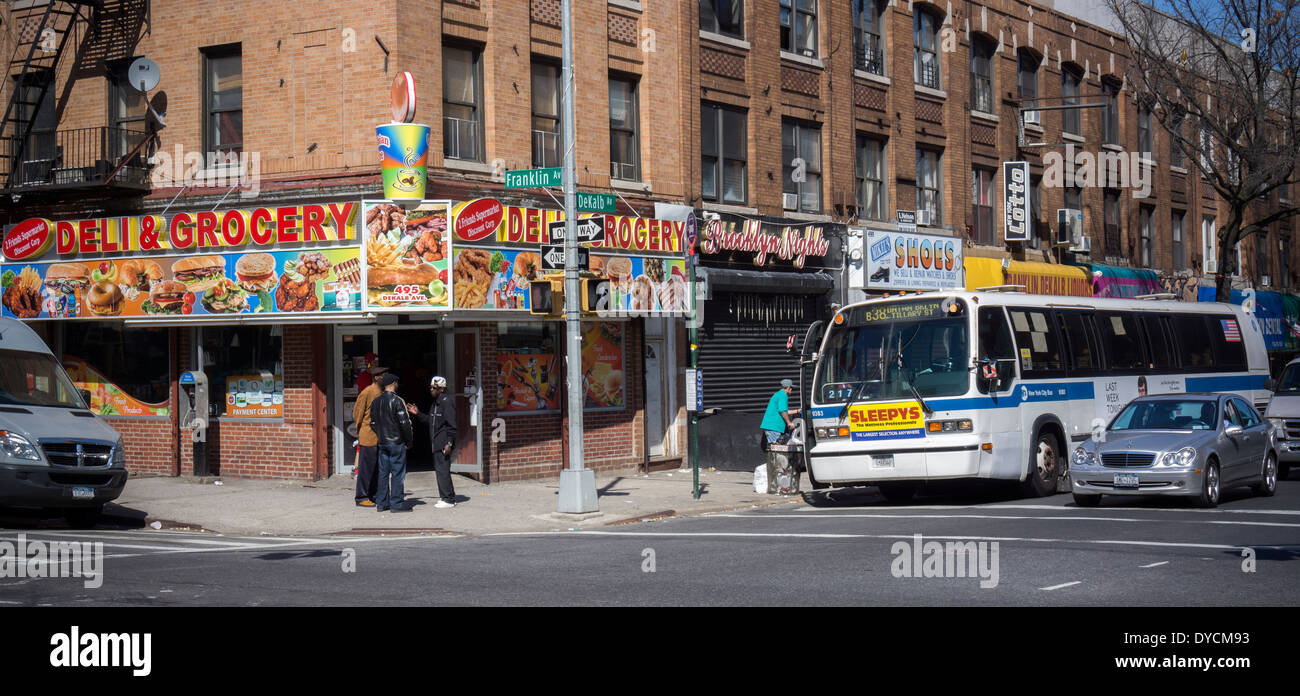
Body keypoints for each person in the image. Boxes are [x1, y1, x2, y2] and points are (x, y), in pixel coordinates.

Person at [408, 376, 458, 508]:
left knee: (443, 470)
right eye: (430, 387)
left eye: (434, 388)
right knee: (440, 470)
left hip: (443, 442)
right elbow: (431, 421)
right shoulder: (436, 403)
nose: (431, 390)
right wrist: (418, 413)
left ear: (441, 389)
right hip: (436, 441)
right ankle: (448, 496)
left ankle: (448, 499)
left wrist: (449, 443)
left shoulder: (447, 402)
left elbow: (451, 425)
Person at [370, 372, 414, 512]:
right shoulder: (397, 400)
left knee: (383, 473)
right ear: (393, 383)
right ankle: (396, 504)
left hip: (383, 442)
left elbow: (372, 423)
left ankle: (382, 503)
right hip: (396, 442)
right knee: (397, 473)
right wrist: (409, 441)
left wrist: (380, 435)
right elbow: (405, 423)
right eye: (397, 382)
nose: (397, 384)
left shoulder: (375, 401)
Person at [350, 363, 388, 507]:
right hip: (368, 436)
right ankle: (361, 497)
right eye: (384, 376)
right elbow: (357, 414)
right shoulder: (367, 392)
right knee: (366, 469)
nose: (386, 378)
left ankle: (373, 495)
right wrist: (361, 431)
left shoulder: (385, 392)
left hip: (380, 437)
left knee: (377, 469)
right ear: (377, 378)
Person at [760, 378, 796, 445]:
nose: (791, 390)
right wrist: (789, 423)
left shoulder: (778, 394)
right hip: (774, 428)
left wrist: (797, 411)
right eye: (791, 388)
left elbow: (785, 411)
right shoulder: (783, 395)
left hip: (771, 427)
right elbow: (782, 411)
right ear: (788, 388)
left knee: (780, 448)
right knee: (778, 450)